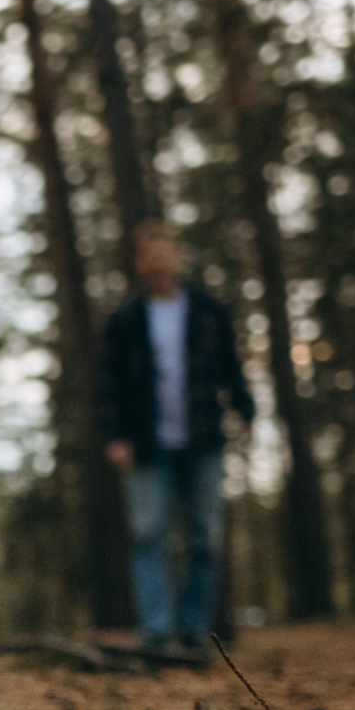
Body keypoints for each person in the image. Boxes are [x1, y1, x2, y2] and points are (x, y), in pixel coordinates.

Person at [97, 222, 253, 657]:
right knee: (148, 535)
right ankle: (156, 632)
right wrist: (115, 436)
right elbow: (110, 384)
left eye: (164, 252)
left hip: (203, 439)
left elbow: (230, 366)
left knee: (205, 537)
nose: (158, 261)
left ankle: (194, 630)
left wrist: (245, 410)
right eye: (149, 254)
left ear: (178, 256)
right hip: (147, 442)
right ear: (139, 262)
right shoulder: (125, 319)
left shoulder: (208, 310)